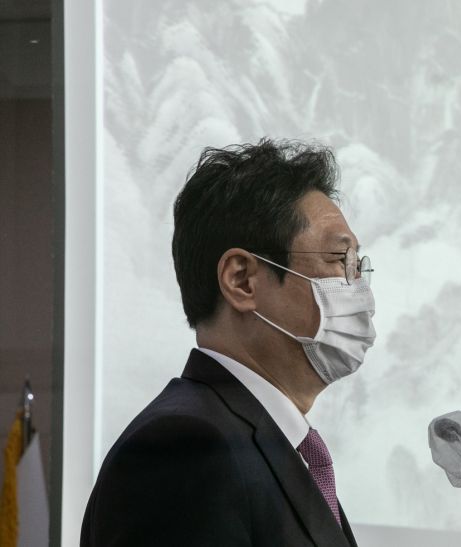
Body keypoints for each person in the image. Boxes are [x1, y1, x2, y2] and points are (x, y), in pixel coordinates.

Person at [80, 139, 376, 547]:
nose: (357, 286)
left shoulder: (275, 442)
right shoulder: (185, 449)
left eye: (359, 266)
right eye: (339, 260)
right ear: (241, 280)